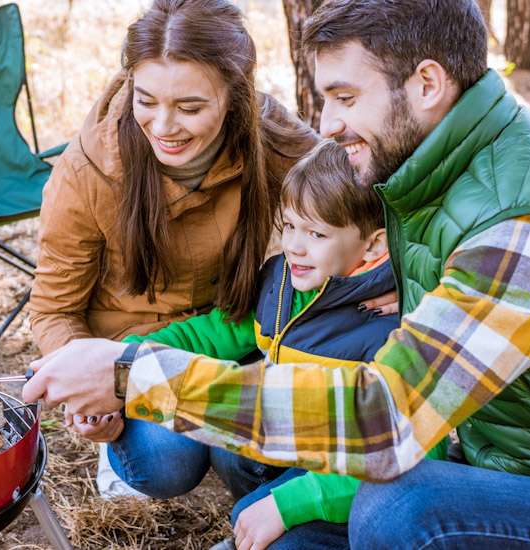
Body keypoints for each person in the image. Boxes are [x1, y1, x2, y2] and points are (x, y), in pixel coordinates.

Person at [24, 0, 530, 548]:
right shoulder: (433, 163)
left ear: (427, 84)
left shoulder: (529, 228)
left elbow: (384, 418)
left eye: (344, 97)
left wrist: (133, 374)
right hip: (480, 446)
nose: (329, 124)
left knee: (397, 507)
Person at [28, 0, 318, 501]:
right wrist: (94, 387)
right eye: (146, 100)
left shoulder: (268, 134)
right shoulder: (90, 169)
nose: (163, 126)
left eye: (189, 107)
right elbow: (54, 310)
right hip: (130, 352)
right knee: (167, 461)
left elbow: (352, 193)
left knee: (246, 447)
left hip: (231, 332)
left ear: (235, 96)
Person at [118, 139, 447, 549]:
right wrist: (124, 357)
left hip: (352, 472)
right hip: (297, 443)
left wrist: (291, 504)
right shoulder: (283, 283)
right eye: (289, 226)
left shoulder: (390, 324)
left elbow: (410, 456)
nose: (294, 245)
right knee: (230, 453)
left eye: (316, 232)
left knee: (261, 519)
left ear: (375, 244)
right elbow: (211, 334)